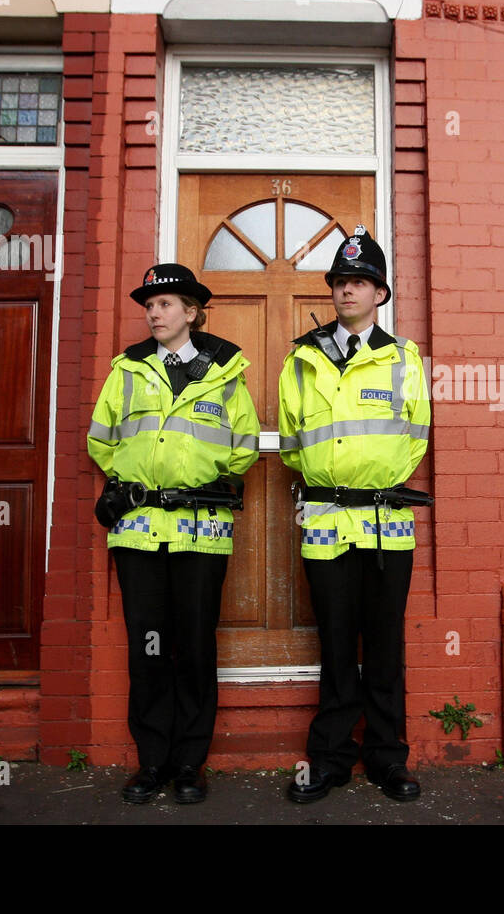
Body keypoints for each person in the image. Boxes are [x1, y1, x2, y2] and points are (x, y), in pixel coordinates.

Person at [87, 263, 260, 805]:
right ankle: (152, 763)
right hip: (139, 530)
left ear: (192, 312)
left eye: (165, 304)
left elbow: (245, 443)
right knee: (148, 647)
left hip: (201, 530)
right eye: (149, 305)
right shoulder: (128, 370)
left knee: (193, 646)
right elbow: (102, 439)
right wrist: (137, 480)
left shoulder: (226, 371)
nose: (154, 312)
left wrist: (204, 479)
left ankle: (189, 762)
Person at [279, 225, 431, 803]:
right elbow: (293, 440)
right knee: (337, 643)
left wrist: (374, 477)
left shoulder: (403, 359)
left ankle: (389, 759)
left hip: (386, 519)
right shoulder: (302, 358)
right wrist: (333, 480)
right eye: (341, 281)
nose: (347, 291)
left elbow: (415, 437)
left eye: (360, 281)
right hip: (323, 519)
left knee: (385, 644)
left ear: (380, 294)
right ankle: (330, 759)